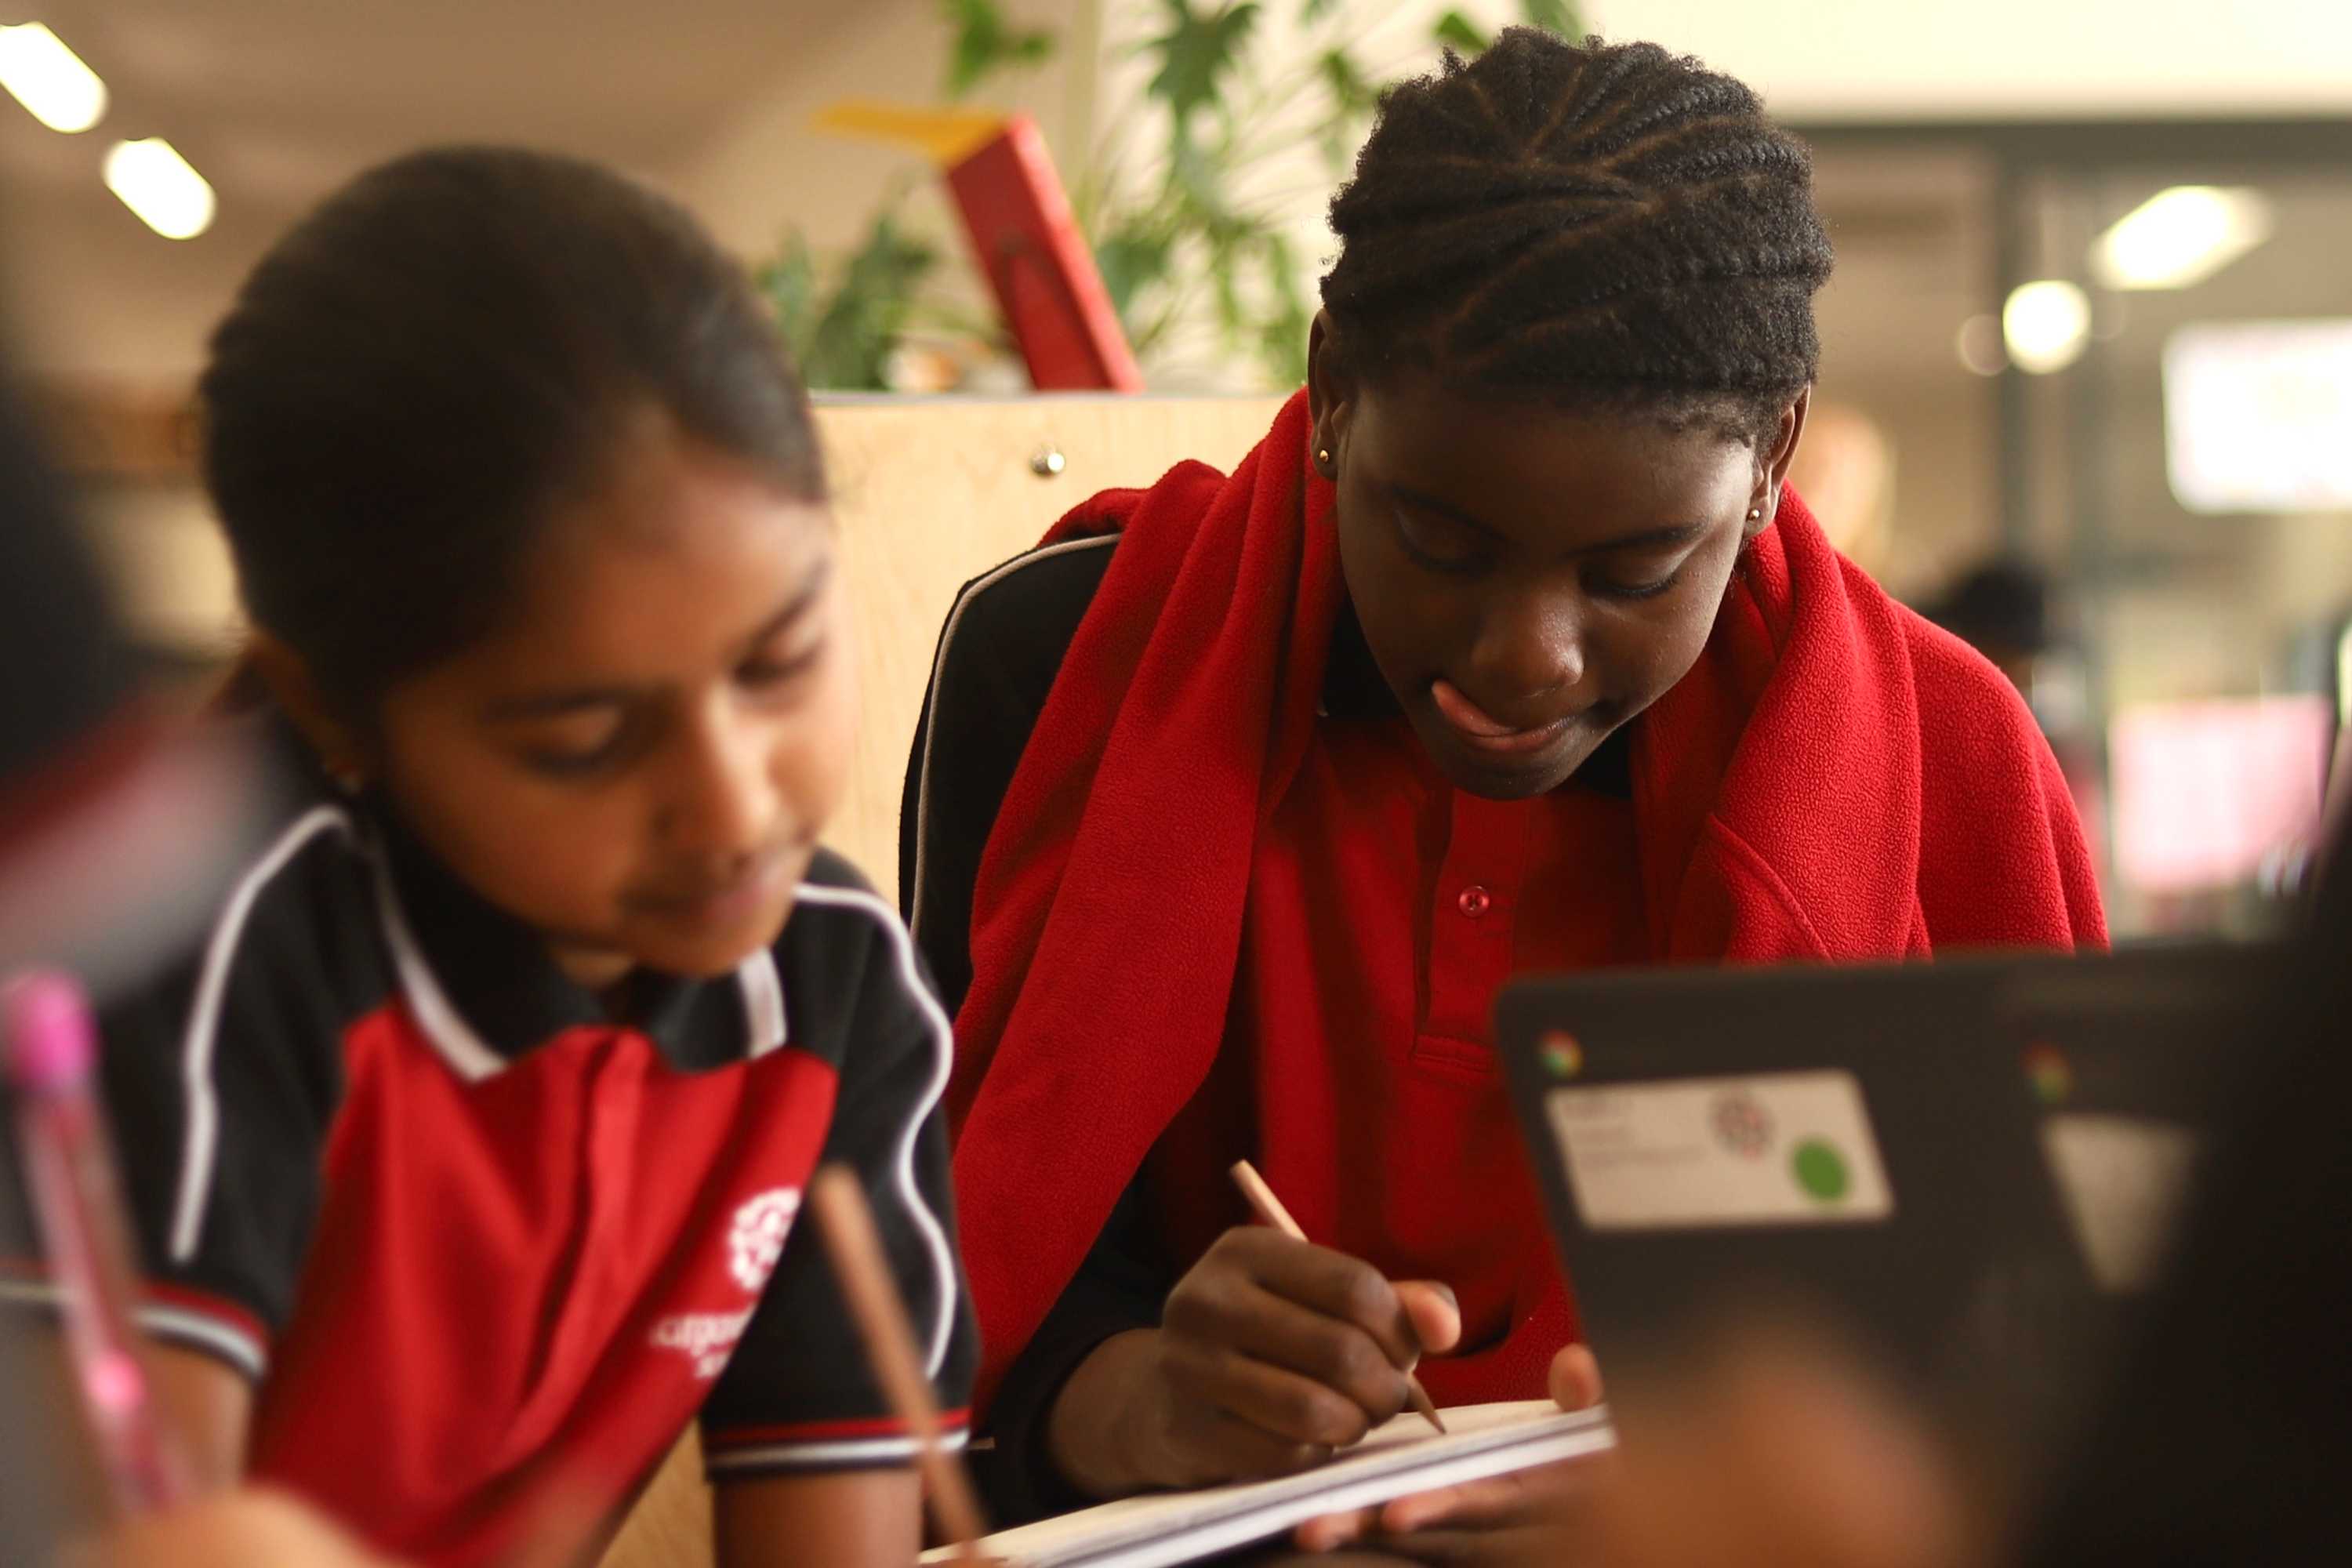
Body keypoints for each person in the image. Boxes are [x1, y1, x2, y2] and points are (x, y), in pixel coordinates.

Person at [903, 29, 2104, 1525]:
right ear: (1334, 388)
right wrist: (1136, 1397)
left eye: (1635, 569)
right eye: (1441, 541)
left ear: (1772, 454)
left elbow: (2052, 1394)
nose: (1524, 658)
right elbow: (942, 1289)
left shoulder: (1950, 763)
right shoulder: (1068, 656)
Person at [2, 147, 975, 1568]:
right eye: (581, 740)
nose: (730, 806)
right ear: (333, 708)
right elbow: (152, 1543)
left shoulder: (831, 983)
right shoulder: (205, 959)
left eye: (782, 661)